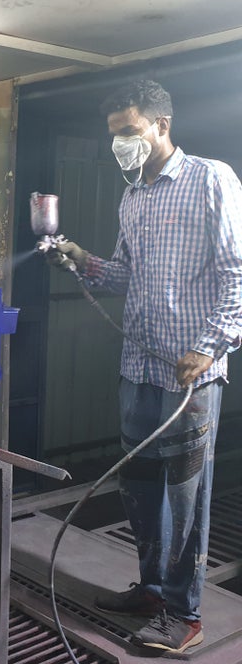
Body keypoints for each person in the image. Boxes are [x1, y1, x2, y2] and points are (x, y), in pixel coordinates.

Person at [48, 79, 242, 654]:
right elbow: (126, 277)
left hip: (190, 377)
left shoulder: (212, 180)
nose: (120, 146)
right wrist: (84, 261)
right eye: (113, 136)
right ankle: (154, 589)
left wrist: (209, 346)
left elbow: (239, 274)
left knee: (186, 497)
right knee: (141, 488)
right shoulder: (133, 197)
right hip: (139, 367)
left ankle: (185, 615)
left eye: (129, 132)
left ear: (161, 125)